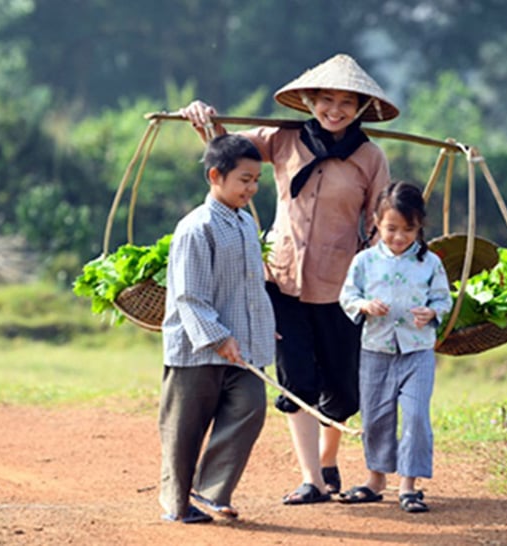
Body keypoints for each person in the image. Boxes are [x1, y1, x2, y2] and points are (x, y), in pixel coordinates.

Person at [180, 53, 399, 504]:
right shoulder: (282, 140)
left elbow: (381, 221)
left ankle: (328, 458)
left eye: (345, 103)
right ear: (309, 100)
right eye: (325, 100)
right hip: (281, 281)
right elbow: (227, 149)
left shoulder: (369, 157)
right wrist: (202, 117)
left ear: (359, 108)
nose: (334, 111)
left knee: (341, 384)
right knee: (295, 378)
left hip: (342, 287)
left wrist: (389, 268)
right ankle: (312, 479)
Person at [159, 134, 276, 523]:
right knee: (184, 431)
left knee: (251, 408)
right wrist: (218, 337)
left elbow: (249, 286)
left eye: (256, 179)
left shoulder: (245, 224)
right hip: (196, 351)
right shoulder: (196, 228)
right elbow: (189, 297)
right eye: (244, 179)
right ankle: (177, 505)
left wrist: (262, 327)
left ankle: (210, 491)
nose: (252, 188)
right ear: (215, 175)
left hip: (240, 349)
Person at [338, 181, 452, 514]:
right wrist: (364, 306)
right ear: (375, 221)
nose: (399, 237)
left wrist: (432, 312)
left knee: (416, 416)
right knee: (376, 416)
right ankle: (375, 480)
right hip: (375, 349)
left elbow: (444, 300)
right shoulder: (365, 261)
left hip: (418, 351)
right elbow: (347, 295)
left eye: (408, 229)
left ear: (420, 227)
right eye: (391, 228)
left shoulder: (430, 263)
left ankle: (409, 486)